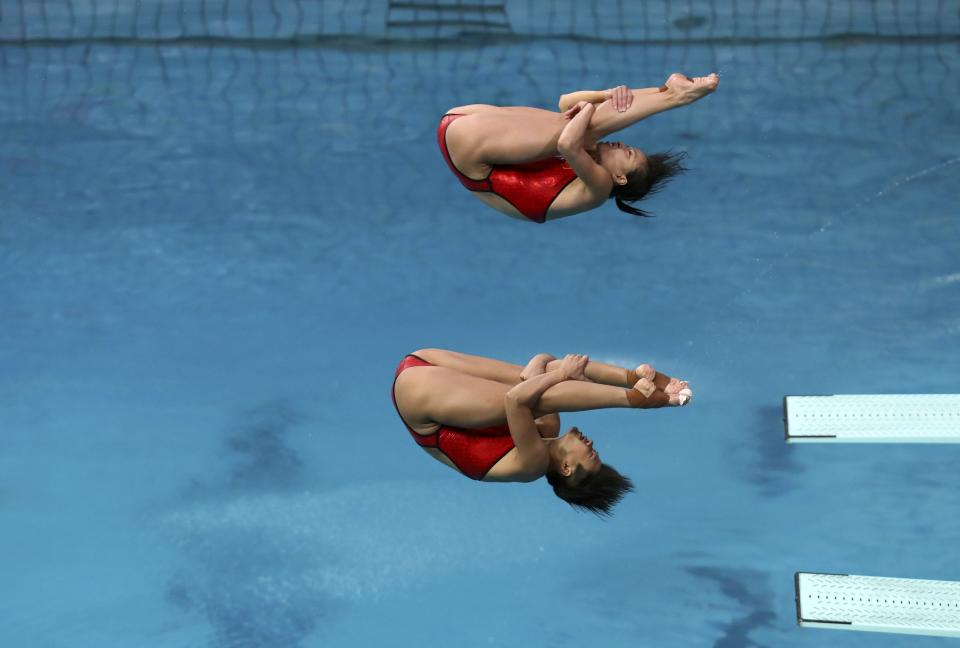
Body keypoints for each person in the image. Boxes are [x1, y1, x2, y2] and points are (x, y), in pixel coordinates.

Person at [391, 348, 692, 515]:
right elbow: (541, 361)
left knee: (541, 394)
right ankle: (632, 377)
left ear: (566, 468)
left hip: (419, 400)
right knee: (545, 387)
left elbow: (516, 398)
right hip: (424, 363)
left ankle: (635, 400)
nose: (591, 444)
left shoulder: (532, 464)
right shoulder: (548, 427)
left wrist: (559, 374)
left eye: (591, 454)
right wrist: (551, 372)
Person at [438, 72, 719, 223]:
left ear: (620, 177)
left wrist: (587, 108)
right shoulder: (592, 155)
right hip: (464, 121)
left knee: (582, 129)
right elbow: (565, 101)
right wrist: (602, 95)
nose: (623, 144)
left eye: (628, 153)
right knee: (573, 119)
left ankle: (676, 97)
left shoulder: (598, 188)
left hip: (472, 157)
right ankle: (666, 90)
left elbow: (567, 143)